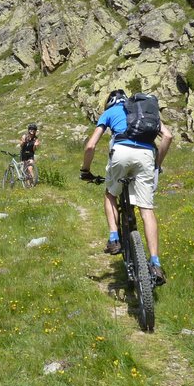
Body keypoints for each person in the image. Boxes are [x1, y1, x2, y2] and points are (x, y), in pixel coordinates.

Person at [79, 90, 173, 285]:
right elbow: (168, 137)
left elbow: (90, 146)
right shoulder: (144, 110)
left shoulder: (110, 112)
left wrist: (85, 170)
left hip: (121, 151)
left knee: (110, 194)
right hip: (147, 154)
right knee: (147, 209)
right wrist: (157, 164)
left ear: (110, 102)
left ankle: (114, 237)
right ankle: (155, 262)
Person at [19, 123, 41, 187]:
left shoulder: (36, 139)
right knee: (25, 171)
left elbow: (34, 150)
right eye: (31, 129)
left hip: (30, 155)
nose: (32, 131)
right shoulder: (24, 136)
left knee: (30, 168)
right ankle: (28, 185)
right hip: (23, 154)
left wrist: (35, 145)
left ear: (35, 131)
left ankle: (33, 183)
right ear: (28, 130)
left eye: (34, 130)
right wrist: (23, 142)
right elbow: (21, 146)